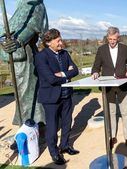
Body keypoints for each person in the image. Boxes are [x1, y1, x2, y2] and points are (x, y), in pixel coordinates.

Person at [35, 28, 79, 165]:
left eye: (60, 39)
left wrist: (62, 74)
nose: (61, 42)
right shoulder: (41, 57)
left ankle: (65, 146)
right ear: (49, 42)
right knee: (52, 127)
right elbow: (51, 79)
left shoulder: (65, 54)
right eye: (58, 40)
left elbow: (76, 70)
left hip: (66, 95)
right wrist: (67, 73)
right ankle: (54, 153)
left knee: (67, 123)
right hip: (51, 98)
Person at [0, 0, 48, 126]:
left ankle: (34, 127)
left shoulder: (36, 5)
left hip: (26, 55)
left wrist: (18, 41)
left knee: (28, 92)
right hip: (17, 57)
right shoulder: (22, 5)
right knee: (21, 94)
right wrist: (3, 41)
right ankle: (27, 127)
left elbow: (33, 26)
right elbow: (10, 29)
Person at [91, 26, 127, 151]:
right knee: (110, 113)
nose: (112, 41)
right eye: (110, 39)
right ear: (107, 38)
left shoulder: (125, 48)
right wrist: (95, 72)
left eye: (114, 39)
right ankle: (112, 137)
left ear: (118, 38)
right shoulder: (101, 49)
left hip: (124, 85)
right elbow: (96, 66)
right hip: (108, 87)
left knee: (125, 113)